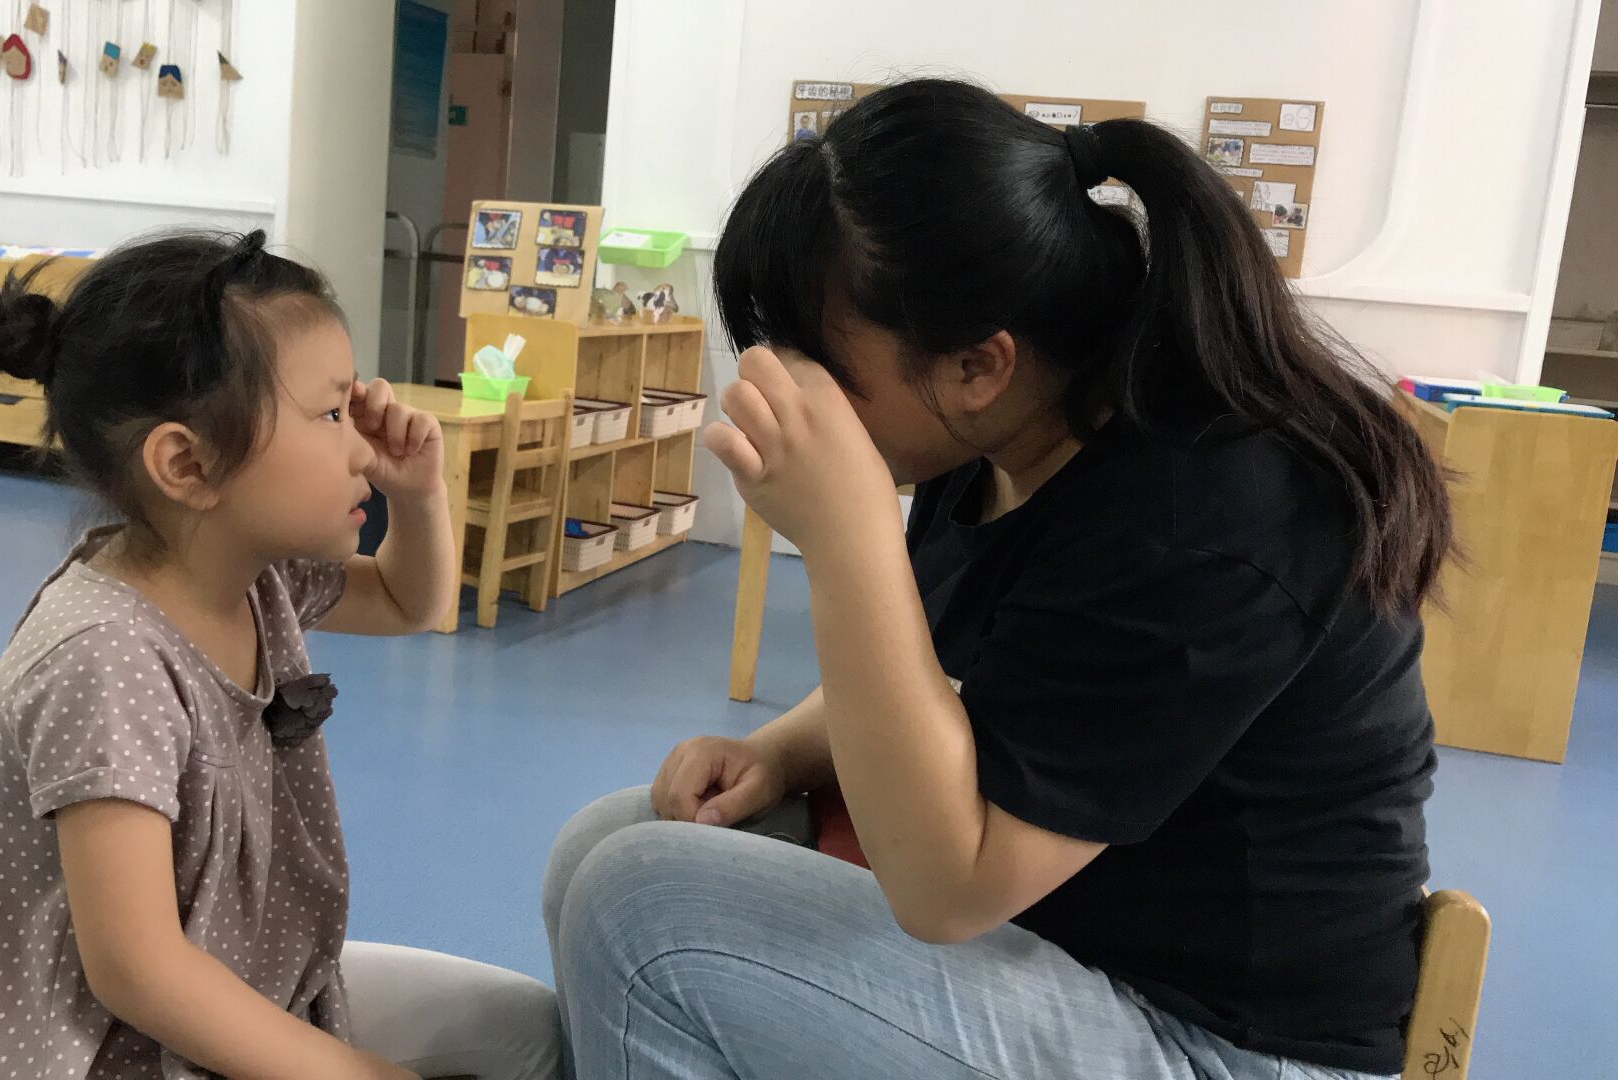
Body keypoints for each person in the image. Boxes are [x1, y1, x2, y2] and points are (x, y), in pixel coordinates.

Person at [544, 78, 1448, 1080]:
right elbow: (943, 674)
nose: (790, 391)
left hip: (1218, 1042)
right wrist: (776, 750)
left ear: (979, 366)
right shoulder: (995, 440)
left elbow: (948, 890)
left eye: (822, 366)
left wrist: (847, 536)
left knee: (641, 906)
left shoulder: (1206, 515)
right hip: (1073, 945)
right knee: (605, 844)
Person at [0, 230, 559, 1080]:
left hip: (257, 977)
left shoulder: (252, 576)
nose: (361, 446)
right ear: (188, 463)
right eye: (331, 415)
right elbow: (138, 971)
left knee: (529, 1034)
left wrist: (419, 493)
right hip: (137, 1055)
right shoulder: (103, 660)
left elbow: (405, 600)